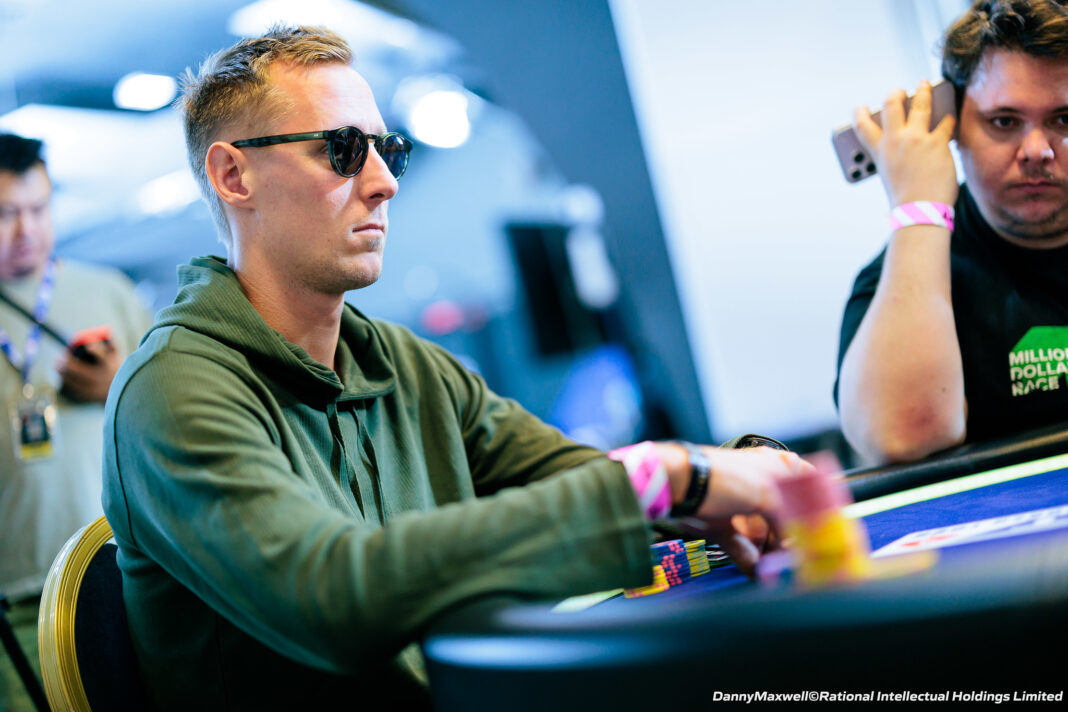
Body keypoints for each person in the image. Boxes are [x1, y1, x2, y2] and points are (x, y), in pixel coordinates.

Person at [101, 25, 811, 711]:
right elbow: (333, 597)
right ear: (234, 175)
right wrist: (667, 478)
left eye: (388, 151)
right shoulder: (171, 391)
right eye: (342, 150)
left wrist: (730, 474)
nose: (384, 182)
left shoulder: (408, 366)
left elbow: (589, 493)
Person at [836, 0, 1068, 464]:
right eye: (1004, 121)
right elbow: (902, 437)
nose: (1036, 150)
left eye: (1063, 119)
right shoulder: (896, 279)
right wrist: (917, 205)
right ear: (953, 129)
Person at [0, 133, 152, 711]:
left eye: (39, 209)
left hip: (119, 582)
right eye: (7, 214)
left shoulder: (109, 294)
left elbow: (175, 426)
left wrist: (120, 387)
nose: (27, 230)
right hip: (13, 605)